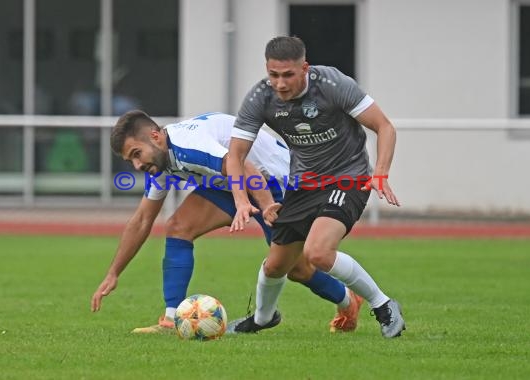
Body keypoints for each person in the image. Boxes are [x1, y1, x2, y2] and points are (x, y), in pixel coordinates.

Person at [90, 110, 365, 334]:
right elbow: (142, 220)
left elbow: (246, 167)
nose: (137, 166)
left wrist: (266, 204)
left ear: (154, 137)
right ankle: (171, 319)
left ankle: (348, 300)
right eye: (131, 161)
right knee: (178, 227)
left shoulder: (189, 145)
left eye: (136, 154)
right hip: (232, 183)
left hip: (274, 180)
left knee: (296, 269)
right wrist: (114, 273)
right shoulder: (160, 160)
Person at [226, 36, 406, 338]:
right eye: (273, 75)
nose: (280, 83)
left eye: (288, 75)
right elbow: (236, 155)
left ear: (305, 68)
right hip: (304, 185)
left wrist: (380, 173)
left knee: (318, 253)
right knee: (275, 267)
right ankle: (262, 318)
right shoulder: (261, 96)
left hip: (347, 178)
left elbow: (384, 126)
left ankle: (383, 305)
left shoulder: (332, 84)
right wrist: (241, 200)